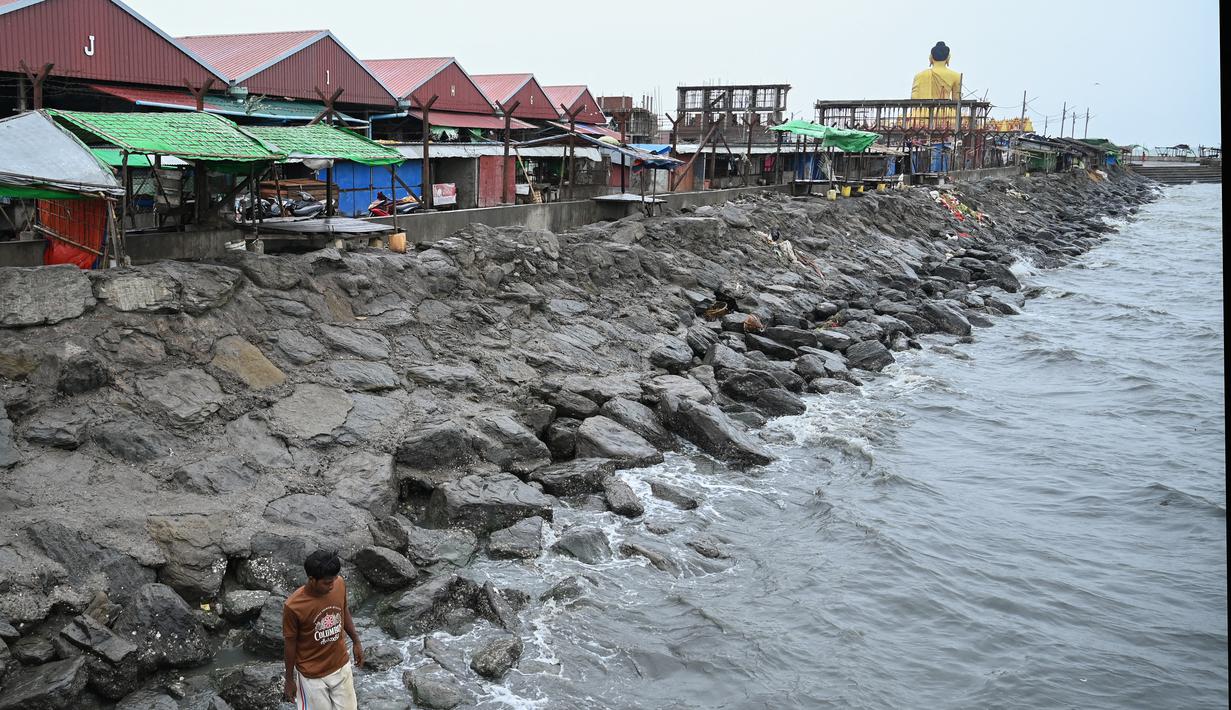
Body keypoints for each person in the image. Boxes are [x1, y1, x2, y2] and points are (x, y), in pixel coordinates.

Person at [282, 550, 364, 709]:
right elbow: (290, 643)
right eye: (327, 582)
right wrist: (289, 679)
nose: (332, 585)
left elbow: (343, 610)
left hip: (340, 666)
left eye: (334, 579)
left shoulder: (339, 584)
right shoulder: (293, 606)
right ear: (312, 579)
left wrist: (356, 641)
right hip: (312, 677)